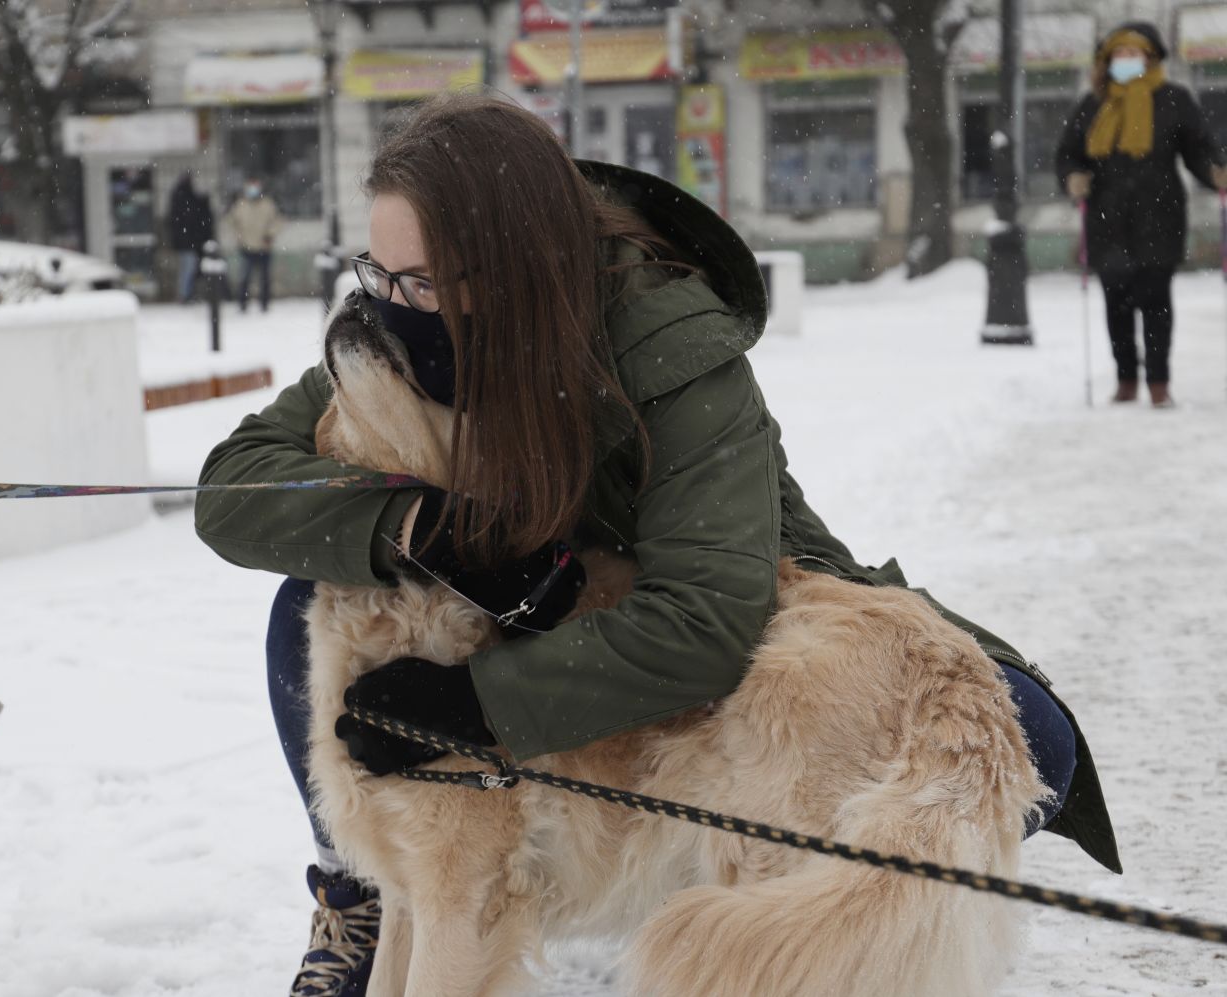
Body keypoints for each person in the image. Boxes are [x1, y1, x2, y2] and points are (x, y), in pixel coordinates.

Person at [197, 93, 1119, 997]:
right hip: (544, 604)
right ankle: (366, 883)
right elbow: (237, 482)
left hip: (735, 606)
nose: (398, 306)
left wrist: (474, 709)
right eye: (380, 273)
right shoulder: (410, 319)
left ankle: (774, 883)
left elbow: (705, 617)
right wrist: (407, 527)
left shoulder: (666, 341)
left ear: (516, 269)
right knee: (309, 606)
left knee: (1024, 746)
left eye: (428, 282)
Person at [1056, 21, 1227, 408]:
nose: (1126, 60)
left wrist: (1216, 172)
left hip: (1160, 214)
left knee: (1156, 301)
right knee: (1115, 301)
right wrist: (1073, 177)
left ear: (1149, 59)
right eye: (1120, 54)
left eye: (1134, 54)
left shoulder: (1174, 99)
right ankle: (1126, 378)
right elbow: (1069, 152)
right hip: (1107, 217)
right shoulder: (1093, 104)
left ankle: (1159, 382)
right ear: (1108, 60)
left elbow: (1197, 148)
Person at [227, 177, 282, 313]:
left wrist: (270, 234)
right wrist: (239, 238)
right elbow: (230, 222)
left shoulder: (268, 204)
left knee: (264, 279)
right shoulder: (240, 205)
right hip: (246, 247)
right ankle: (242, 304)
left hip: (264, 247)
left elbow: (278, 221)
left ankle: (264, 304)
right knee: (244, 278)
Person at [166, 172, 215, 304]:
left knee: (188, 268)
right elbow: (187, 219)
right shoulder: (183, 198)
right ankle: (184, 294)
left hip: (187, 242)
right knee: (188, 269)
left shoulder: (180, 197)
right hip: (187, 242)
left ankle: (186, 294)